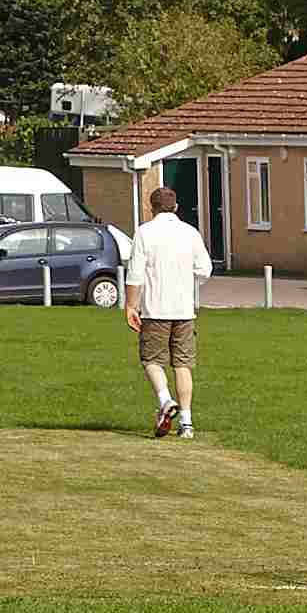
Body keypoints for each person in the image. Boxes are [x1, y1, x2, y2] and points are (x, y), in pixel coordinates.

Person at [124, 184, 215, 436]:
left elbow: (135, 275)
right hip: (185, 310)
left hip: (155, 310)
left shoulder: (144, 232)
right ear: (176, 207)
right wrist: (186, 278)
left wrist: (131, 306)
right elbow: (205, 269)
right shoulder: (190, 232)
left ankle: (165, 401)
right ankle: (186, 423)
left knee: (151, 360)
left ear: (151, 208)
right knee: (182, 364)